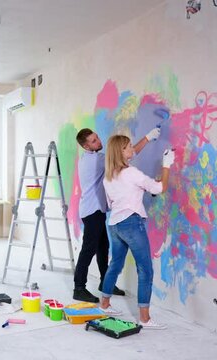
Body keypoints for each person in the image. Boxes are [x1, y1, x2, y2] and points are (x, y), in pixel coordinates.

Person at [73, 127, 160, 303]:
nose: (99, 141)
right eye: (93, 141)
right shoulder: (96, 161)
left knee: (102, 247)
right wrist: (148, 137)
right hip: (93, 210)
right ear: (86, 146)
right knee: (89, 249)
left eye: (97, 137)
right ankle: (79, 288)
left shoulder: (89, 158)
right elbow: (128, 153)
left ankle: (106, 283)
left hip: (94, 210)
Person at [99, 135, 175, 330]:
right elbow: (160, 188)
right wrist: (167, 165)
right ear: (121, 152)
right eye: (129, 146)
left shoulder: (109, 176)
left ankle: (105, 305)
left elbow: (112, 202)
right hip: (131, 223)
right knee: (145, 270)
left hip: (114, 224)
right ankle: (145, 319)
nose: (132, 148)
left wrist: (140, 190)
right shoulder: (131, 173)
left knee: (115, 264)